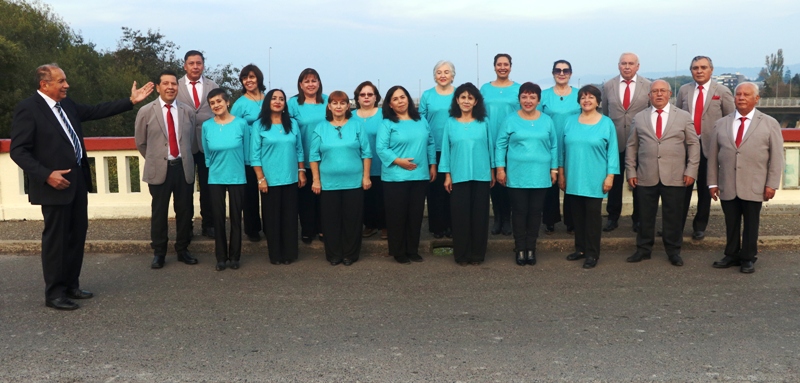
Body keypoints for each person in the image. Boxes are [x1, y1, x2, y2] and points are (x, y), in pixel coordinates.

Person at [10, 63, 153, 311]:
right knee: (56, 240)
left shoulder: (67, 104)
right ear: (45, 84)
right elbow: (18, 150)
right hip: (53, 185)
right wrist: (46, 175)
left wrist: (130, 101)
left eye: (65, 80)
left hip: (77, 181)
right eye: (61, 81)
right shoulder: (28, 108)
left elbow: (97, 110)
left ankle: (71, 285)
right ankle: (54, 293)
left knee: (77, 235)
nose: (67, 85)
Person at [708, 82, 784, 274]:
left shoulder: (769, 123)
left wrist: (772, 184)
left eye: (746, 95)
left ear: (756, 99)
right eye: (738, 94)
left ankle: (748, 257)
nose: (741, 98)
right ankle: (731, 254)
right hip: (728, 183)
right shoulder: (721, 123)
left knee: (751, 223)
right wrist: (713, 182)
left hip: (755, 184)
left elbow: (776, 158)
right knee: (731, 222)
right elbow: (713, 157)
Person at [625, 80, 700, 267]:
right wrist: (631, 171)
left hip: (675, 176)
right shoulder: (639, 117)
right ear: (649, 96)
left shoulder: (683, 116)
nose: (658, 94)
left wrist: (691, 170)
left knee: (673, 216)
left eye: (662, 91)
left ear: (669, 94)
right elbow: (632, 146)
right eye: (654, 91)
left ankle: (673, 251)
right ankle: (643, 249)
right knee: (644, 215)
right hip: (645, 175)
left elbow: (693, 144)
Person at [135, 70, 198, 270]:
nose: (170, 87)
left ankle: (183, 249)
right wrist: (157, 160)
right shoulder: (146, 111)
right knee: (159, 212)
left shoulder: (187, 111)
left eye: (174, 84)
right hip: (160, 169)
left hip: (183, 167)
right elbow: (141, 142)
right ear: (159, 87)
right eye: (166, 84)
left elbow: (192, 141)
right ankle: (159, 252)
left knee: (185, 211)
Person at [496, 82, 557, 266]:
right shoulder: (510, 120)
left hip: (540, 175)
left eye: (532, 97)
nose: (528, 101)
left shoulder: (547, 120)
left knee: (535, 213)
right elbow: (500, 144)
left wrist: (554, 169)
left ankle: (531, 248)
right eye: (524, 97)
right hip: (517, 174)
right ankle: (520, 248)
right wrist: (500, 168)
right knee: (520, 212)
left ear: (539, 100)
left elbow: (554, 146)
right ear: (519, 99)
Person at [309, 91, 372, 266]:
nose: (338, 106)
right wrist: (316, 180)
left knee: (352, 220)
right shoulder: (320, 128)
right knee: (330, 220)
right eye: (334, 103)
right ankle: (334, 254)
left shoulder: (357, 126)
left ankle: (350, 254)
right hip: (328, 184)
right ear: (329, 106)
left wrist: (366, 176)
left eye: (342, 103)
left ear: (347, 106)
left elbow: (366, 153)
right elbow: (314, 156)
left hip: (354, 182)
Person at [675, 56, 735, 240]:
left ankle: (699, 226)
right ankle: (676, 226)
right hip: (686, 146)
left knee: (704, 188)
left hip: (709, 147)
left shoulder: (722, 91)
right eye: (695, 68)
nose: (699, 71)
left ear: (711, 70)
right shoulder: (684, 90)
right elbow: (676, 116)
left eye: (703, 67)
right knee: (681, 189)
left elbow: (730, 119)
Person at [559, 85, 618, 269]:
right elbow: (561, 151)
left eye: (591, 97)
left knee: (592, 219)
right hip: (574, 176)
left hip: (595, 179)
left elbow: (613, 152)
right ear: (579, 101)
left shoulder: (606, 123)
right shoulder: (569, 122)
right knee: (577, 217)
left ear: (598, 101)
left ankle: (592, 253)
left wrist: (610, 176)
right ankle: (580, 249)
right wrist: (561, 173)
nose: (587, 100)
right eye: (583, 97)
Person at [376, 85, 437, 264]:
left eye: (402, 97)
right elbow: (381, 148)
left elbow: (431, 143)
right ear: (390, 104)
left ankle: (412, 249)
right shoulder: (387, 123)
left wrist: (432, 165)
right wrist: (399, 161)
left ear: (408, 99)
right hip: (395, 177)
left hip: (420, 176)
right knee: (397, 215)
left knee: (415, 215)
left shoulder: (421, 120)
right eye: (395, 99)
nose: (400, 101)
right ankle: (398, 251)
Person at [440, 82, 494, 266]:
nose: (466, 101)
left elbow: (491, 148)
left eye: (470, 98)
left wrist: (493, 171)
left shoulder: (484, 122)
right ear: (456, 100)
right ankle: (461, 254)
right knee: (460, 216)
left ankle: (477, 254)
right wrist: (447, 174)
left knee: (480, 216)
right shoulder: (450, 122)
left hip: (481, 175)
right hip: (458, 175)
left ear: (476, 101)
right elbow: (446, 150)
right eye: (463, 97)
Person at [251, 89, 305, 265]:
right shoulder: (259, 125)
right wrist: (260, 178)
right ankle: (275, 254)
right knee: (273, 219)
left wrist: (301, 171)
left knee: (290, 218)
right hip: (270, 180)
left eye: (281, 99)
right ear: (268, 102)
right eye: (274, 98)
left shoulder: (293, 124)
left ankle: (289, 254)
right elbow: (255, 155)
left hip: (291, 178)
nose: (278, 101)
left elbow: (299, 149)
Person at [601, 52, 651, 233]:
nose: (627, 67)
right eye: (623, 63)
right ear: (618, 65)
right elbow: (605, 114)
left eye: (631, 63)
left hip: (640, 144)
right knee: (614, 181)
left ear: (638, 66)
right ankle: (612, 217)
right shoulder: (608, 86)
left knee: (639, 183)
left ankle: (638, 218)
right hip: (615, 143)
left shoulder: (648, 86)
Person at [202, 89, 248, 271]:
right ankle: (221, 257)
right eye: (212, 103)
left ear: (227, 102)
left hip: (237, 176)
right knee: (218, 218)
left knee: (236, 218)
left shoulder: (242, 124)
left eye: (219, 101)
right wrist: (211, 167)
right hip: (216, 177)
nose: (216, 105)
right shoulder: (207, 126)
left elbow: (246, 151)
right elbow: (206, 152)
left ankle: (235, 256)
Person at [177, 50, 219, 238]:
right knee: (185, 188)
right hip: (183, 144)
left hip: (207, 144)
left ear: (203, 65)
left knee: (208, 187)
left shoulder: (212, 85)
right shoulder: (175, 85)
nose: (195, 66)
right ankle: (186, 226)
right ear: (185, 65)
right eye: (191, 63)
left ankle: (209, 224)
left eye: (199, 63)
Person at [538, 60, 580, 234]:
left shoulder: (579, 94)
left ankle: (572, 220)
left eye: (565, 70)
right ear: (553, 72)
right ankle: (550, 219)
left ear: (570, 73)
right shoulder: (544, 95)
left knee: (572, 181)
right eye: (558, 70)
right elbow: (537, 117)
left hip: (574, 144)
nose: (561, 73)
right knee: (551, 183)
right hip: (549, 144)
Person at [481, 53, 520, 236]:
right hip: (490, 141)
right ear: (494, 66)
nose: (502, 67)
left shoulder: (518, 89)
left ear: (511, 66)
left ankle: (508, 219)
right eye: (499, 64)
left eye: (506, 64)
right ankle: (497, 218)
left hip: (513, 143)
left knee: (510, 183)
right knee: (494, 183)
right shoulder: (485, 89)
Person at [288, 68, 328, 244]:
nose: (311, 84)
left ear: (319, 83)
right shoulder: (293, 103)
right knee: (306, 197)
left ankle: (323, 228)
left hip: (326, 157)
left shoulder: (327, 101)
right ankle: (307, 229)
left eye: (314, 81)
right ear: (300, 85)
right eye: (307, 81)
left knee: (324, 196)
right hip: (303, 156)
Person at [419, 60, 455, 239]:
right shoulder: (427, 95)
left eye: (447, 72)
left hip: (454, 148)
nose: (443, 75)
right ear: (434, 76)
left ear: (453, 75)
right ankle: (437, 226)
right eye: (439, 72)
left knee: (452, 189)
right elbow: (421, 121)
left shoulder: (459, 94)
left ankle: (452, 225)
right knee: (435, 190)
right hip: (434, 149)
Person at [230, 64, 267, 242]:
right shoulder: (239, 104)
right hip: (247, 155)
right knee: (250, 193)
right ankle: (252, 229)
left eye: (252, 77)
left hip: (268, 154)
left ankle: (270, 227)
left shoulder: (268, 99)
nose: (249, 81)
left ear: (258, 78)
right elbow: (233, 128)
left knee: (269, 194)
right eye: (245, 78)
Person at [352, 81, 387, 240]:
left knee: (382, 197)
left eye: (370, 94)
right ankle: (370, 225)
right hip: (358, 165)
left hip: (381, 164)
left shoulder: (383, 114)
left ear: (376, 97)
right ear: (357, 98)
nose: (366, 97)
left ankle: (385, 226)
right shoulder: (350, 117)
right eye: (362, 94)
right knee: (365, 198)